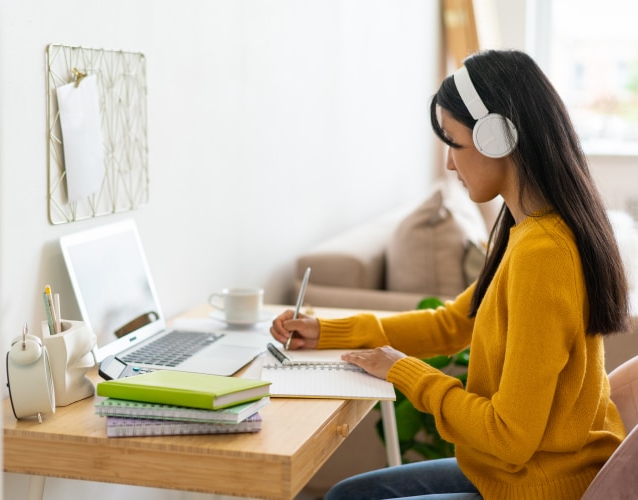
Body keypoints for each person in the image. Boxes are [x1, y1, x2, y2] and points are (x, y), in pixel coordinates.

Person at [270, 49, 630, 500]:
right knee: (349, 494)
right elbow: (451, 323)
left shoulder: (545, 254)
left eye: (454, 144)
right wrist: (328, 332)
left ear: (498, 138)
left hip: (540, 486)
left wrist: (405, 372)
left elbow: (509, 436)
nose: (448, 164)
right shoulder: (530, 232)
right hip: (511, 473)